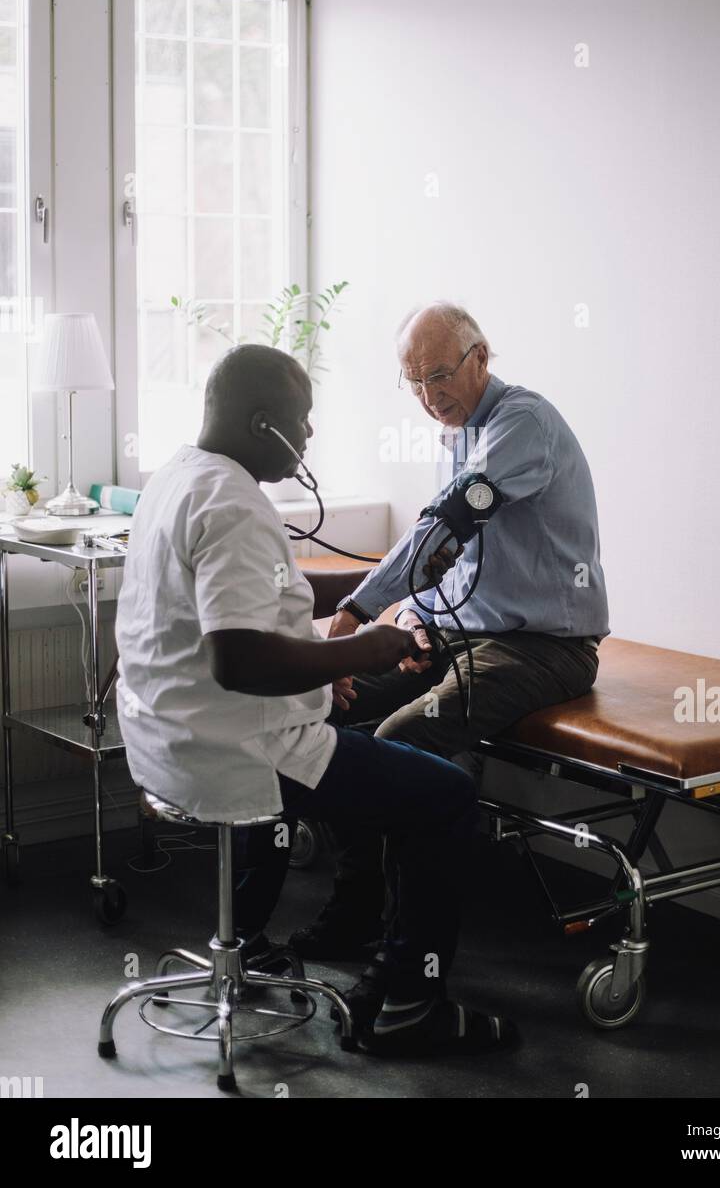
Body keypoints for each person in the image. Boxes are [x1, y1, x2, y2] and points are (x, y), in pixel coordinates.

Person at [114, 343, 515, 1056]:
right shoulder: (234, 505)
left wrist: (323, 660)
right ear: (261, 421)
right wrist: (362, 649)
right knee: (445, 796)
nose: (308, 438)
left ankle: (264, 939)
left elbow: (238, 620)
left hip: (169, 743)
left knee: (354, 738)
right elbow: (238, 658)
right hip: (244, 751)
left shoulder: (178, 478)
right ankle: (406, 1002)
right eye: (301, 422)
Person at [290, 302, 610, 1023]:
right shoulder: (459, 431)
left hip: (545, 648)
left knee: (399, 743)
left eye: (439, 374)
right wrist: (420, 617)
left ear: (481, 357)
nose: (430, 395)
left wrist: (359, 614)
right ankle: (357, 909)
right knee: (324, 708)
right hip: (461, 635)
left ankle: (407, 973)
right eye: (414, 382)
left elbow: (452, 522)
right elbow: (453, 556)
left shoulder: (521, 426)